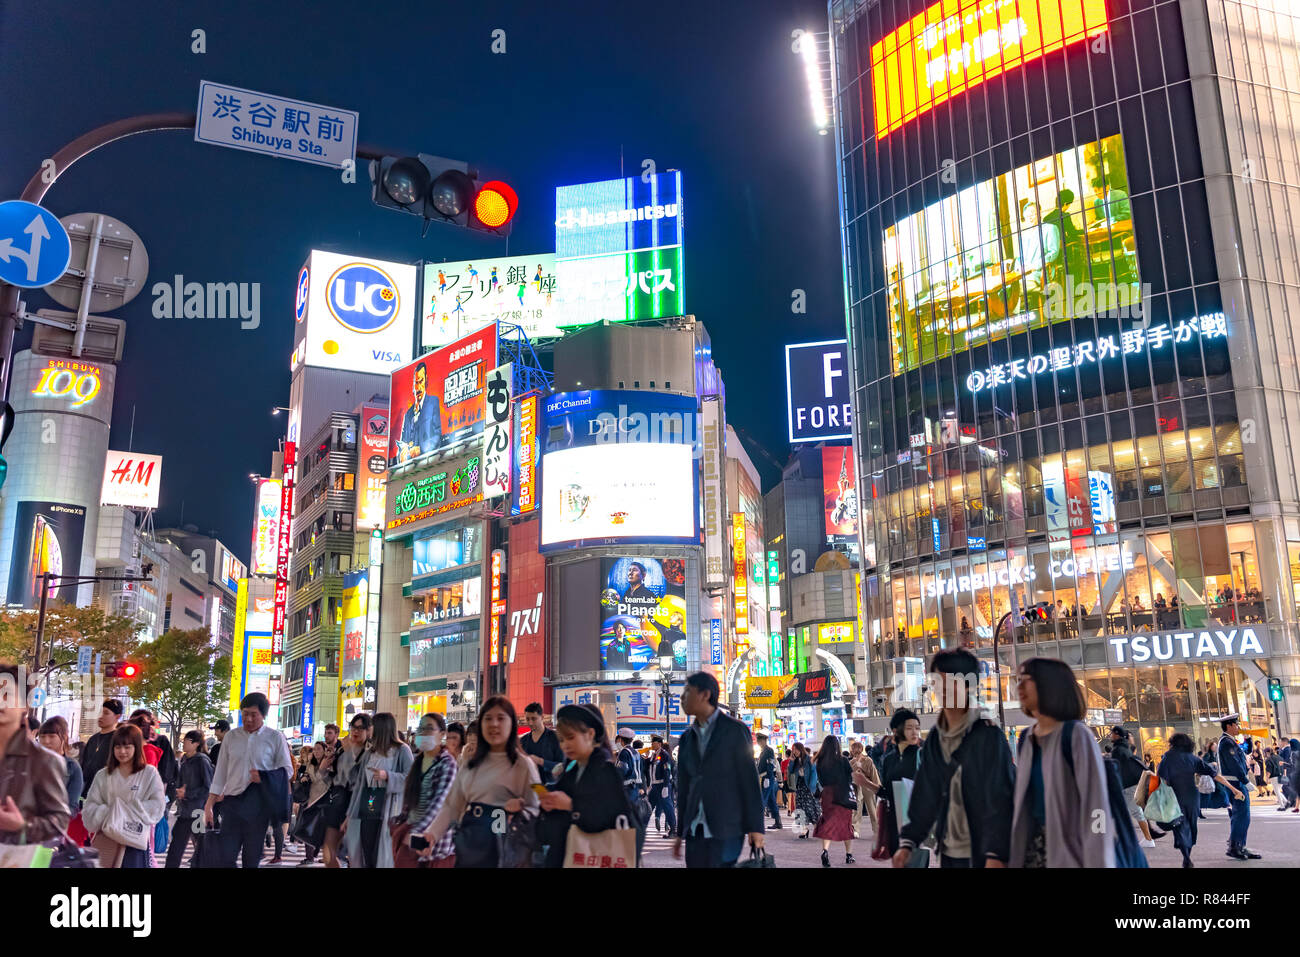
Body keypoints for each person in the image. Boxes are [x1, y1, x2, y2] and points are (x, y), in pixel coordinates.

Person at [894, 649, 1015, 869]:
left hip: (983, 853)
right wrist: (908, 842)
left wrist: (996, 853)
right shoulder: (934, 739)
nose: (939, 687)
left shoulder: (987, 734)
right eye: (936, 681)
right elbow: (926, 794)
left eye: (946, 680)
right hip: (949, 850)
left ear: (967, 684)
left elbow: (1001, 798)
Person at [1008, 658, 1115, 867]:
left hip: (1072, 854)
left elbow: (1097, 805)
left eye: (1025, 680)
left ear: (1049, 684)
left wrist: (1098, 858)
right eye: (1017, 680)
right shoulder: (1026, 738)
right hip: (1031, 852)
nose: (1018, 687)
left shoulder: (1076, 735)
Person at [420, 697, 540, 868]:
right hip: (470, 842)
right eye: (488, 718)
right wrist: (432, 834)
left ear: (512, 724)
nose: (494, 724)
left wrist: (521, 808)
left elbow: (537, 806)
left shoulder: (524, 765)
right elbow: (452, 806)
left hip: (505, 847)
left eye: (501, 718)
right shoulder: (470, 764)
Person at [673, 671, 765, 868]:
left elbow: (748, 781)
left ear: (705, 695)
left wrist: (756, 828)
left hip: (727, 826)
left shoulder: (734, 730)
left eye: (688, 691)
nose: (682, 697)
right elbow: (684, 787)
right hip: (695, 830)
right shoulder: (687, 739)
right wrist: (680, 832)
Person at [539, 703, 639, 867]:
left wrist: (571, 805)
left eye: (570, 737)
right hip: (569, 855)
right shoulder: (573, 769)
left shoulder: (606, 769)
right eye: (561, 740)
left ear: (590, 734)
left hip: (592, 856)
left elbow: (613, 816)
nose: (565, 745)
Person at [203, 692, 294, 868]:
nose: (249, 718)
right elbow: (220, 773)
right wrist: (209, 805)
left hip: (259, 806)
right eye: (245, 713)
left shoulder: (275, 738)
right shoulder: (231, 737)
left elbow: (288, 770)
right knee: (225, 856)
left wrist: (264, 776)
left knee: (251, 858)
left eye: (254, 714)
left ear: (263, 715)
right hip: (232, 803)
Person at [0, 664, 69, 845]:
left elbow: (59, 822)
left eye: (7, 695)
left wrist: (22, 825)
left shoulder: (44, 761)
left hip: (15, 858)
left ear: (25, 705)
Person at [82, 723, 166, 868]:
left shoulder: (149, 773)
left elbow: (157, 807)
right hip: (106, 842)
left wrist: (120, 811)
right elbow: (89, 809)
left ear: (137, 747)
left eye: (127, 747)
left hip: (134, 841)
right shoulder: (103, 775)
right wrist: (109, 813)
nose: (122, 751)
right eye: (117, 747)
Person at [1158, 733, 1243, 868]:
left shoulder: (1167, 758)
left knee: (1180, 827)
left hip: (1174, 797)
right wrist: (1233, 789)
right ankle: (1187, 856)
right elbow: (1214, 774)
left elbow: (1161, 779)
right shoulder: (1192, 758)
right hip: (1192, 796)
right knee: (1191, 827)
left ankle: (1186, 856)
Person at [343, 711, 412, 868]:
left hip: (391, 808)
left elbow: (411, 779)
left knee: (384, 851)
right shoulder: (370, 753)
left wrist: (388, 776)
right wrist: (350, 815)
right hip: (370, 805)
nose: (370, 729)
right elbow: (360, 785)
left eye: (372, 725)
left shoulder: (402, 750)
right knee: (367, 848)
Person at [398, 713, 457, 868]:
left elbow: (440, 804)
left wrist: (416, 833)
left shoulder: (447, 763)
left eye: (429, 728)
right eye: (421, 728)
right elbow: (410, 800)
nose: (423, 732)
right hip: (412, 836)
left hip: (435, 846)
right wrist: (400, 823)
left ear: (442, 734)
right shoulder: (418, 761)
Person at [321, 714, 369, 868]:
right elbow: (335, 777)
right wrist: (322, 770)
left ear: (369, 730)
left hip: (360, 804)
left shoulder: (371, 751)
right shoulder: (342, 749)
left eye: (361, 728)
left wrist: (351, 754)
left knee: (357, 855)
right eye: (353, 727)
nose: (356, 731)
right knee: (328, 852)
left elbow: (363, 777)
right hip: (338, 801)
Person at [166, 730, 213, 868]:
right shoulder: (185, 760)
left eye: (187, 740)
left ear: (196, 744)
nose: (184, 743)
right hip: (185, 811)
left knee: (201, 848)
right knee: (175, 848)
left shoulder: (202, 761)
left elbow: (208, 787)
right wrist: (179, 792)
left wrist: (187, 794)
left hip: (197, 812)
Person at [813, 735, 862, 866]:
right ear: (837, 746)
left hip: (827, 794)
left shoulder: (820, 762)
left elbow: (821, 781)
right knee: (846, 823)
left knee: (827, 822)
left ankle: (825, 851)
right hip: (842, 793)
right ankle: (849, 855)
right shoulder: (843, 760)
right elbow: (850, 778)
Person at [878, 709, 921, 856]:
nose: (915, 732)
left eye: (917, 728)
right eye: (909, 728)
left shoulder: (923, 755)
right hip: (895, 823)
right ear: (896, 731)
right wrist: (865, 783)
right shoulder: (889, 759)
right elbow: (886, 792)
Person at [1107, 727, 1160, 847]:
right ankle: (1144, 839)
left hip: (1127, 785)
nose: (1110, 735)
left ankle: (1146, 839)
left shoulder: (1118, 750)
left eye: (1112, 733)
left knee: (1132, 812)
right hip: (1131, 784)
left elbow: (1115, 768)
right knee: (1129, 811)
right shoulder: (1124, 748)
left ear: (1117, 735)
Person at [1217, 714, 1260, 859]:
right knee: (1241, 816)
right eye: (1236, 725)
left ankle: (1240, 845)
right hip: (1235, 782)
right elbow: (1234, 765)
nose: (1238, 727)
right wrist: (1246, 781)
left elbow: (1245, 752)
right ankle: (1235, 847)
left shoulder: (1230, 741)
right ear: (1229, 726)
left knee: (1241, 816)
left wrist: (1248, 739)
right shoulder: (1226, 743)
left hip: (1236, 781)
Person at [614, 727, 649, 863]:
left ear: (621, 740)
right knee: (632, 817)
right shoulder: (635, 752)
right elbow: (641, 770)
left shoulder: (624, 752)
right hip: (635, 789)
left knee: (624, 817)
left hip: (626, 788)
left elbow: (622, 770)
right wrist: (642, 787)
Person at [78, 698, 123, 801]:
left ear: (117, 716)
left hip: (106, 795)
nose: (101, 716)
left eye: (106, 713)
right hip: (86, 793)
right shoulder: (93, 739)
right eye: (100, 712)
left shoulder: (118, 739)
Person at [396, 360, 442, 461]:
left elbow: (438, 437)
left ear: (426, 381)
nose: (418, 388)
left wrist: (421, 449)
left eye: (421, 381)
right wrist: (401, 453)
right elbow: (402, 443)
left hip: (429, 463)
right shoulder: (408, 415)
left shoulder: (433, 403)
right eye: (415, 383)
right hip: (409, 468)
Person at [37, 716, 82, 811]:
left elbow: (72, 805)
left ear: (64, 737)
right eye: (42, 737)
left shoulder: (72, 767)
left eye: (52, 736)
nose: (46, 741)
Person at [519, 702, 563, 784]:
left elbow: (562, 767)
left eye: (534, 719)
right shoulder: (523, 741)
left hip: (551, 788)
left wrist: (541, 761)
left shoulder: (555, 738)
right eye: (527, 719)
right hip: (530, 788)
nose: (530, 723)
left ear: (542, 717)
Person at [848, 739, 881, 839]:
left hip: (868, 785)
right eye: (854, 749)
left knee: (872, 808)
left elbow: (873, 774)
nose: (856, 751)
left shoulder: (868, 760)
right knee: (857, 808)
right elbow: (850, 775)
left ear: (862, 749)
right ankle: (855, 829)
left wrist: (877, 786)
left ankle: (877, 830)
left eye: (857, 748)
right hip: (856, 786)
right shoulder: (851, 762)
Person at [646, 734, 677, 836]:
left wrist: (665, 786)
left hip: (662, 785)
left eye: (653, 743)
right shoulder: (654, 755)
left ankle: (673, 829)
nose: (651, 744)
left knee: (668, 807)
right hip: (654, 786)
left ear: (659, 744)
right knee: (648, 807)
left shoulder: (664, 755)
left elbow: (667, 770)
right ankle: (640, 829)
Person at [788, 740, 820, 837]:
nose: (794, 752)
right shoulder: (796, 761)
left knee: (811, 807)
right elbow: (790, 771)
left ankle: (817, 827)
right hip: (800, 785)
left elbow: (814, 773)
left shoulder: (809, 759)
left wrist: (812, 786)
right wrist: (792, 761)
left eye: (796, 750)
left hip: (808, 785)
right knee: (800, 807)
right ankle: (804, 829)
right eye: (793, 750)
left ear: (800, 750)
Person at [755, 731, 783, 829]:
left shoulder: (768, 750)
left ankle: (758, 824)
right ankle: (778, 822)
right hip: (765, 778)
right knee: (771, 801)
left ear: (764, 740)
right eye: (758, 741)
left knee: (762, 799)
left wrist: (767, 777)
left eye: (760, 740)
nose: (758, 743)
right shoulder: (763, 751)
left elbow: (771, 764)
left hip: (767, 778)